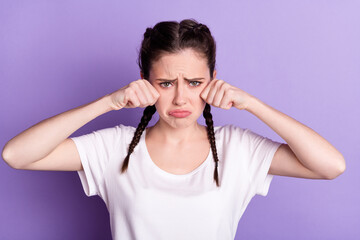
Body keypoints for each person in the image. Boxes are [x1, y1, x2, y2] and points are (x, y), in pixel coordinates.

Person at [2, 18, 346, 240]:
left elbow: (331, 166)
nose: (181, 97)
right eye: (166, 83)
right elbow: (16, 155)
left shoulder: (237, 148)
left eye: (194, 82)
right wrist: (108, 102)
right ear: (145, 84)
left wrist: (252, 103)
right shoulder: (115, 148)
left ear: (212, 81)